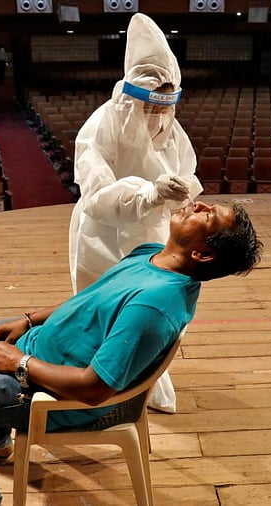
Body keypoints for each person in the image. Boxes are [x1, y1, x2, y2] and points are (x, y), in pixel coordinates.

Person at [0, 201, 263, 506]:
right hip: (43, 350)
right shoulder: (151, 254)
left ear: (202, 253)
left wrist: (20, 363)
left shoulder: (154, 304)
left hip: (55, 394)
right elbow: (88, 300)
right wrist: (29, 320)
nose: (198, 205)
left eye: (208, 215)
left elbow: (94, 389)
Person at [67, 13, 203, 413]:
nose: (158, 117)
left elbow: (186, 168)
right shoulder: (100, 127)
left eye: (166, 106)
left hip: (153, 232)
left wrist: (181, 190)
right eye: (151, 106)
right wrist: (149, 193)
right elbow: (96, 196)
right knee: (101, 309)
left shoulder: (169, 127)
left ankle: (142, 381)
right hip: (102, 235)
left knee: (146, 311)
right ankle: (96, 385)